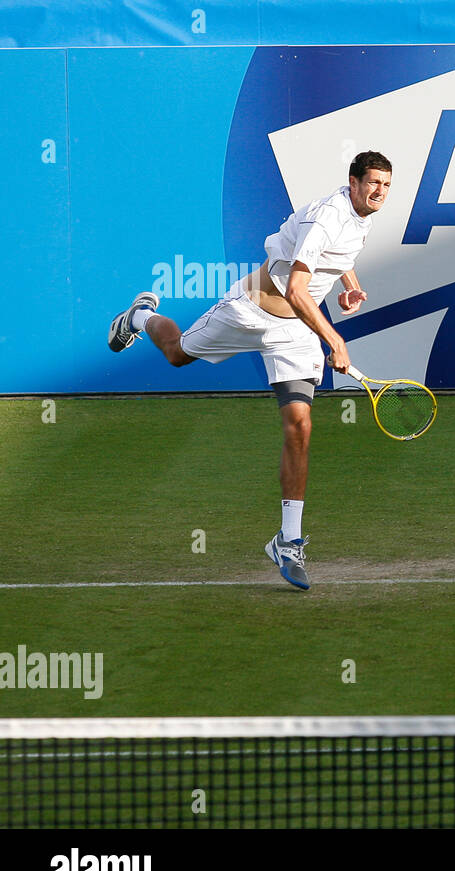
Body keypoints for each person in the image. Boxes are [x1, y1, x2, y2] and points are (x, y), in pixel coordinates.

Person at [107, 151, 393, 590]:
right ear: (352, 182)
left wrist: (350, 289)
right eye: (372, 182)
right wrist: (333, 338)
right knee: (179, 353)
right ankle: (140, 316)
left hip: (295, 332)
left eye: (386, 185)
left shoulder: (360, 217)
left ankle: (289, 540)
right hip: (252, 312)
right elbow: (297, 289)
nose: (379, 192)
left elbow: (338, 257)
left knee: (300, 427)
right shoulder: (327, 216)